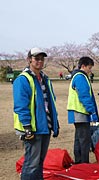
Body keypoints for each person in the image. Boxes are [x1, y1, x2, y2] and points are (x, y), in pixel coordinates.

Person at [13, 47, 59, 180]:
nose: (39, 61)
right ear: (29, 60)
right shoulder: (23, 79)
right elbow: (21, 106)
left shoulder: (44, 79)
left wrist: (54, 123)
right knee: (31, 164)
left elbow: (49, 103)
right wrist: (27, 127)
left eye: (42, 59)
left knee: (39, 163)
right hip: (33, 128)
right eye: (36, 58)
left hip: (45, 126)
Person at [67, 56, 99, 164]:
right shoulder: (80, 77)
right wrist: (92, 111)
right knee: (84, 140)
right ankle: (83, 163)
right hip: (80, 112)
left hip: (77, 113)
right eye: (89, 68)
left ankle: (79, 161)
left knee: (79, 139)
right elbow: (84, 96)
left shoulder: (77, 76)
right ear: (83, 66)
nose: (90, 71)